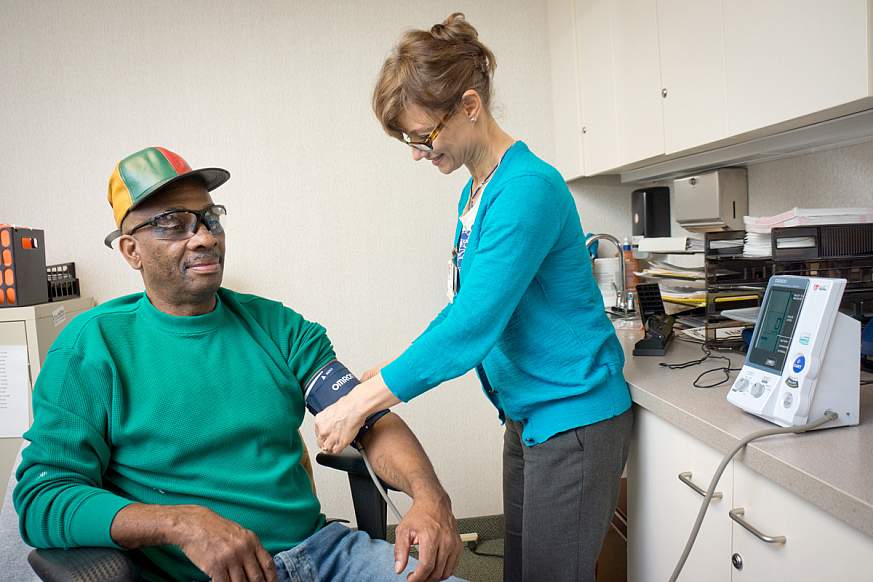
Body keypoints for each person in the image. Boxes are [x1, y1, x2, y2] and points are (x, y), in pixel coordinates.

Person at [13, 146, 464, 582]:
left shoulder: (278, 327)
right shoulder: (93, 346)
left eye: (210, 219)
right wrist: (183, 524)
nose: (205, 237)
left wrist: (429, 497)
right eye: (174, 224)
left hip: (322, 555)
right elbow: (43, 498)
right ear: (132, 251)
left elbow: (368, 420)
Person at [313, 14, 633, 582]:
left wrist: (361, 402)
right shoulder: (477, 190)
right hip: (527, 415)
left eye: (422, 135)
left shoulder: (526, 189)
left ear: (468, 105)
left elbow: (473, 325)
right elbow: (466, 305)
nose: (417, 152)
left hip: (573, 417)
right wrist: (381, 375)